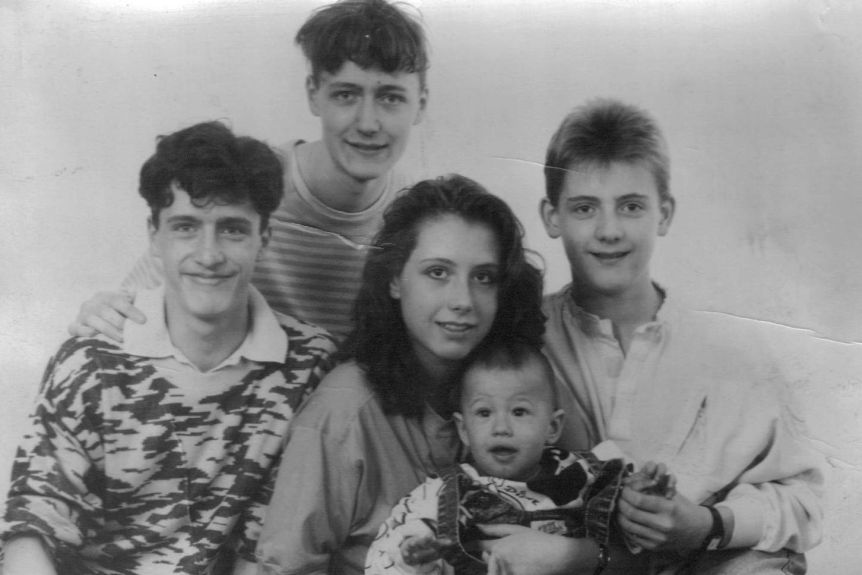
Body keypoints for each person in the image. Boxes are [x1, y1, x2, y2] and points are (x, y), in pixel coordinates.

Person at [0, 122, 336, 575]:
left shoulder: (307, 366)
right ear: (154, 237)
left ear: (265, 239)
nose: (208, 253)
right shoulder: (91, 362)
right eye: (185, 227)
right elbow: (32, 527)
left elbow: (264, 550)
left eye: (232, 230)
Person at [255, 175, 616, 575]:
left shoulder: (524, 385)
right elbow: (285, 568)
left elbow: (614, 532)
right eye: (438, 272)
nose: (462, 301)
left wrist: (571, 556)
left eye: (483, 277)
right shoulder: (342, 413)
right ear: (394, 279)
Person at [538, 98, 826, 573]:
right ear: (552, 217)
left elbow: (804, 500)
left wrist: (708, 524)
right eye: (585, 207)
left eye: (631, 206)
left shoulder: (728, 350)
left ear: (665, 213)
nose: (609, 230)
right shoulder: (527, 339)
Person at [68, 0, 429, 342]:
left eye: (391, 98)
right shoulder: (246, 184)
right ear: (313, 94)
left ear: (420, 105)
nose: (368, 123)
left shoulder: (422, 218)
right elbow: (137, 303)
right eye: (346, 95)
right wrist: (106, 310)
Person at [364, 340, 675, 575]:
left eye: (519, 412)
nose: (501, 428)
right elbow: (389, 550)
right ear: (463, 429)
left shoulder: (585, 474)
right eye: (484, 413)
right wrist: (413, 556)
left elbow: (636, 540)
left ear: (552, 427)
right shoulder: (444, 493)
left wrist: (642, 494)